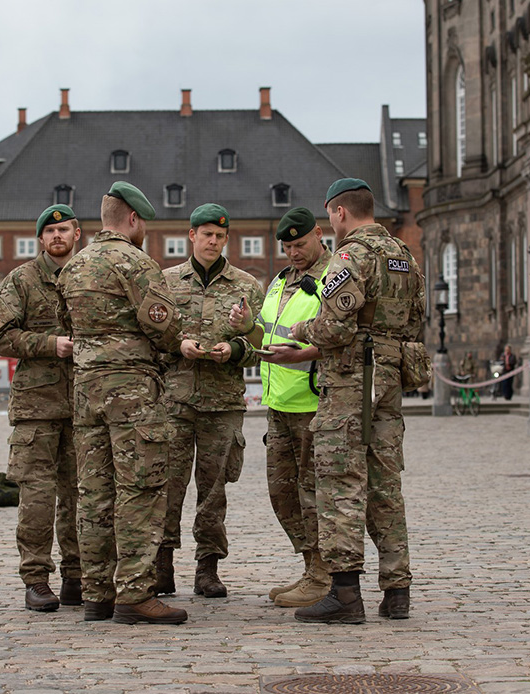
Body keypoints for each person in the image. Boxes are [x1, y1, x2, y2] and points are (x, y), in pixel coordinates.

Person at [289, 178, 425, 623]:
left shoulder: (352, 256)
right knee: (387, 485)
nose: (330, 222)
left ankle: (345, 594)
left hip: (351, 379)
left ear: (340, 211)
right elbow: (416, 320)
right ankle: (397, 590)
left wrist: (301, 329)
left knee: (340, 482)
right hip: (389, 377)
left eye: (329, 215)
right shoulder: (404, 254)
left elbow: (334, 328)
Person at [57, 181, 187, 625]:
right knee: (141, 488)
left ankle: (97, 593)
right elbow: (164, 326)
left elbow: (68, 326)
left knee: (94, 492)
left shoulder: (74, 268)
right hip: (131, 391)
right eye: (143, 222)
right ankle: (133, 593)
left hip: (85, 389)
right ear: (133, 219)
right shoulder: (136, 262)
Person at [156, 203, 263, 600]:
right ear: (192, 236)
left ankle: (208, 567)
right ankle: (161, 564)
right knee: (167, 485)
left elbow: (259, 345)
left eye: (220, 236)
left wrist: (234, 349)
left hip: (223, 403)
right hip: (175, 402)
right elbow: (153, 338)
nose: (213, 242)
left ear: (226, 239)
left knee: (214, 490)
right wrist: (177, 345)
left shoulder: (247, 285)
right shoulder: (166, 282)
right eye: (206, 235)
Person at [229, 206, 331, 608]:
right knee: (283, 495)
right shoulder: (279, 282)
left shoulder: (331, 277)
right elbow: (267, 334)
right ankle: (310, 567)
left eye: (300, 244)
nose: (294, 252)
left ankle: (323, 576)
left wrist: (302, 354)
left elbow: (339, 337)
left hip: (313, 403)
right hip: (278, 404)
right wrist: (246, 327)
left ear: (319, 234)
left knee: (313, 495)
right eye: (287, 246)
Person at [0, 203, 82, 613]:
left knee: (83, 496)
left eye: (64, 229)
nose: (56, 236)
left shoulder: (89, 277)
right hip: (36, 407)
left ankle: (78, 575)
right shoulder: (20, 281)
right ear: (40, 239)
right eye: (49, 231)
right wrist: (48, 344)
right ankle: (37, 578)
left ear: (77, 233)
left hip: (83, 405)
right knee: (38, 496)